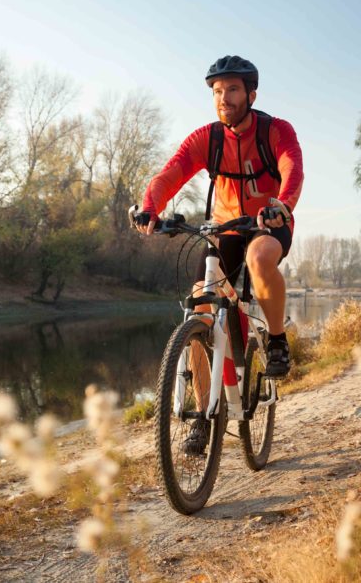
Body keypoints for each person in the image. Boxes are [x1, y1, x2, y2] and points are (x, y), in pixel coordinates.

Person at [134, 55, 304, 454]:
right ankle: (203, 415)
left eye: (231, 89)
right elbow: (172, 172)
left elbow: (291, 165)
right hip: (225, 227)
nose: (222, 97)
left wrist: (283, 203)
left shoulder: (275, 130)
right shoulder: (207, 139)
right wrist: (150, 207)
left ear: (251, 94)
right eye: (216, 91)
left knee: (260, 259)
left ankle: (276, 340)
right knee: (200, 310)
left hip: (268, 221)